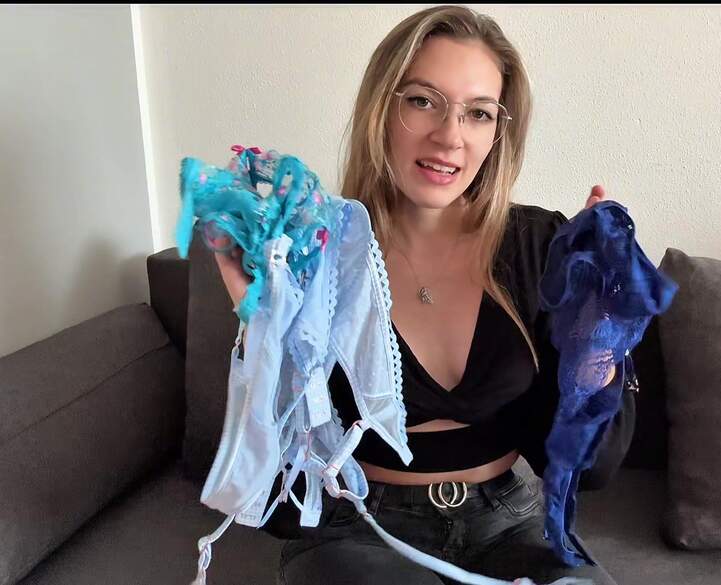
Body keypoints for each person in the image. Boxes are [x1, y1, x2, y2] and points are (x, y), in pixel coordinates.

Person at [212, 6, 635, 584]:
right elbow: (272, 498)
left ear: (498, 132)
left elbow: (590, 469)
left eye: (478, 113)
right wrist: (260, 334)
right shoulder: (316, 250)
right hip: (359, 526)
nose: (449, 136)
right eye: (422, 100)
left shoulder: (540, 244)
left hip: (510, 522)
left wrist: (598, 336)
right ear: (381, 109)